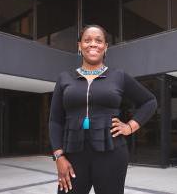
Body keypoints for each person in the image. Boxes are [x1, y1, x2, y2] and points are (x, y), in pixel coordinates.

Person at [49, 24, 157, 194]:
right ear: (79, 46)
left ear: (105, 47)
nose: (93, 44)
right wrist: (58, 157)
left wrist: (129, 127)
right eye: (87, 40)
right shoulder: (65, 78)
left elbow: (150, 101)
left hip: (112, 154)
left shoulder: (118, 76)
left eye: (98, 41)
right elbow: (55, 120)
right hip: (73, 155)